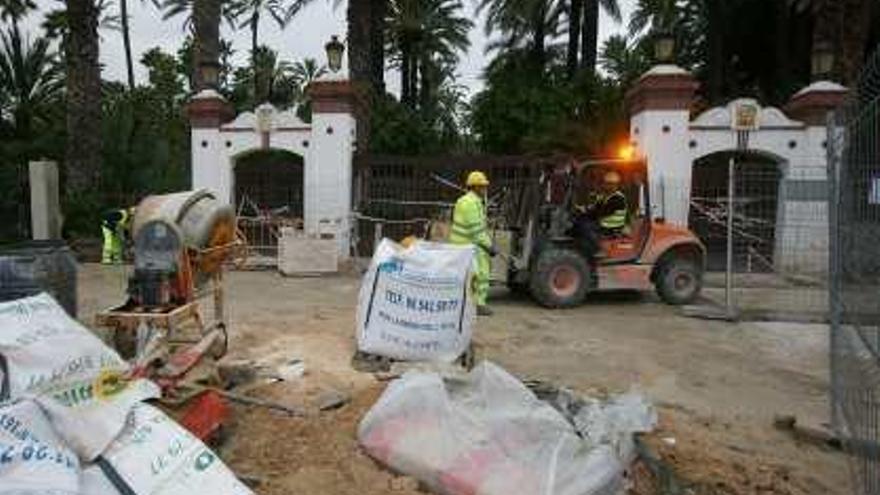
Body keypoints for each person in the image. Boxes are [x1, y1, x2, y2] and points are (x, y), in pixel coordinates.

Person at [448, 171, 496, 316]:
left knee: (463, 275)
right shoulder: (471, 203)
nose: (485, 189)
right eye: (483, 186)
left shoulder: (465, 201)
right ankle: (479, 304)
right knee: (482, 273)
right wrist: (489, 246)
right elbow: (477, 231)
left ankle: (459, 303)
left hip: (461, 244)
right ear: (475, 187)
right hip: (470, 245)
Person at [572, 170, 628, 258]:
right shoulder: (606, 196)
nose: (607, 186)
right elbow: (596, 208)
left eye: (611, 184)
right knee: (581, 222)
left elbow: (601, 212)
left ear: (616, 185)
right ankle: (581, 249)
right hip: (604, 224)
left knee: (584, 226)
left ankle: (599, 249)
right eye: (606, 183)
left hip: (611, 227)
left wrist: (586, 212)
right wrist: (583, 209)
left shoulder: (617, 198)